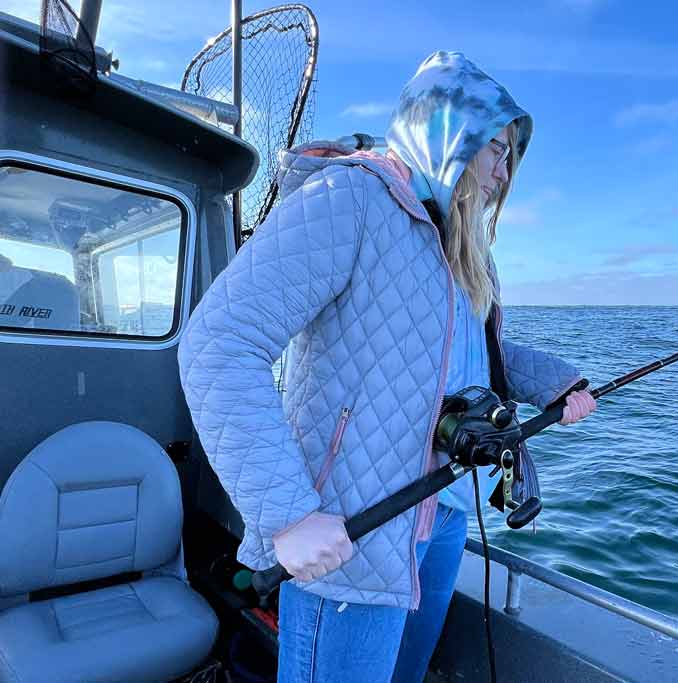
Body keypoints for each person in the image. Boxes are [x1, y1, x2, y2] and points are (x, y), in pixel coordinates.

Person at [178, 50, 596, 683]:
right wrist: (288, 514)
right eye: (496, 149)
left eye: (512, 155)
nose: (505, 172)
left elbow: (478, 358)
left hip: (446, 514)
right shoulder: (350, 198)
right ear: (452, 133)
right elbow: (219, 342)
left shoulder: (463, 247)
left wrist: (558, 383)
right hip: (354, 534)